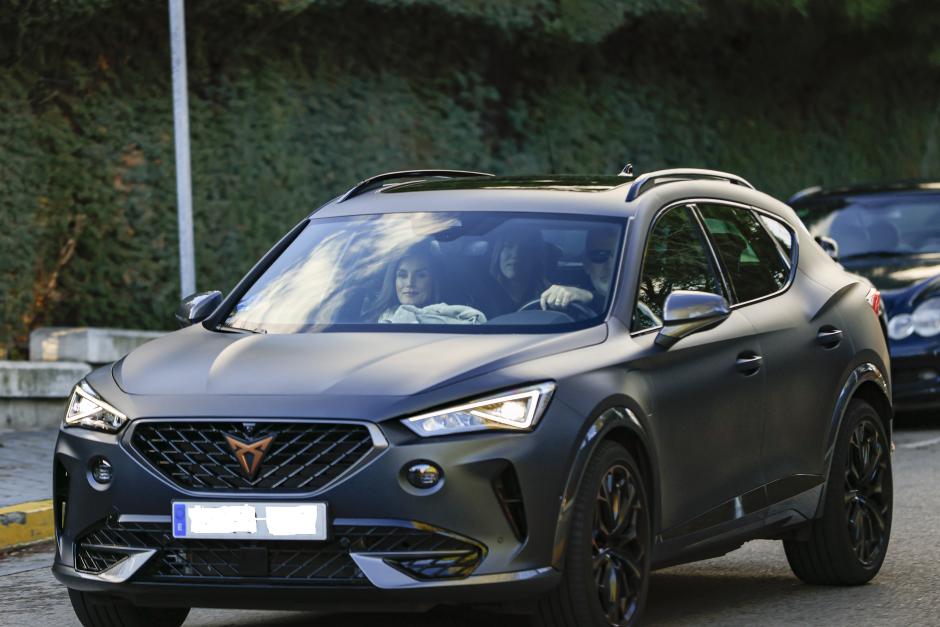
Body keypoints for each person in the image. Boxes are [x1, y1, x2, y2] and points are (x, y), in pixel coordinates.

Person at [367, 243, 486, 324]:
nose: (409, 283)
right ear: (393, 281)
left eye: (421, 275)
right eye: (402, 275)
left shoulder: (458, 319)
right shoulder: (371, 325)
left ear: (434, 281)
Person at [539, 225, 619, 313]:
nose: (610, 266)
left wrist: (590, 297)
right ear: (587, 265)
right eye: (600, 255)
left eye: (620, 256)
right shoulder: (571, 307)